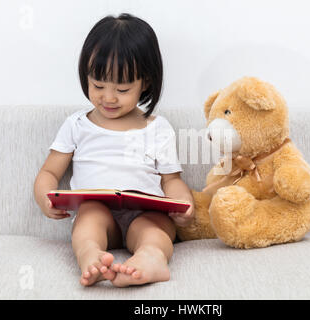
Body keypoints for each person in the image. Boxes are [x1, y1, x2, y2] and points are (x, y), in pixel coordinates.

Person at [33, 13, 194, 287]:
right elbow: (49, 171)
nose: (108, 97)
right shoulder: (77, 125)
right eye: (97, 85)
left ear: (145, 82)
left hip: (147, 213)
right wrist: (44, 199)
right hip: (99, 211)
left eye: (122, 89)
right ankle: (91, 256)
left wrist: (185, 208)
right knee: (89, 219)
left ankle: (151, 257)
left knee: (153, 230)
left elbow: (171, 180)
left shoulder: (158, 128)